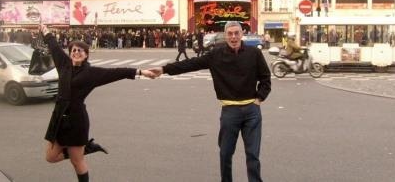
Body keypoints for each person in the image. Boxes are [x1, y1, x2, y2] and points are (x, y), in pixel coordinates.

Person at [150, 21, 271, 182]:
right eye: (230, 33)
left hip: (252, 111)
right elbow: (191, 64)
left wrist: (259, 98)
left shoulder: (253, 54)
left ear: (242, 34)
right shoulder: (216, 54)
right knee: (226, 153)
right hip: (230, 111)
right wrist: (165, 69)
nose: (233, 37)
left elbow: (265, 78)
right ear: (226, 35)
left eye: (236, 33)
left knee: (253, 155)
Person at [40, 24, 155, 182]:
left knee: (77, 161)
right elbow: (53, 46)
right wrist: (45, 31)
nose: (76, 52)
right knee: (50, 157)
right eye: (73, 50)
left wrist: (141, 72)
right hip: (59, 118)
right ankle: (88, 148)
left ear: (86, 55)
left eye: (80, 50)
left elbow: (116, 73)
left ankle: (82, 152)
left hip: (76, 120)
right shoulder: (64, 65)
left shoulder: (91, 73)